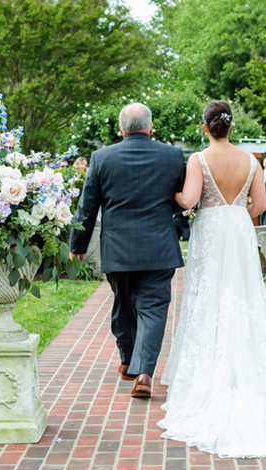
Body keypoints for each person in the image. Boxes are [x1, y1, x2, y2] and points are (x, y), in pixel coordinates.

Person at [159, 100, 266, 458]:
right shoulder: (251, 161)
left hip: (211, 228)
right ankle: (246, 371)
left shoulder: (198, 160)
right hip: (239, 228)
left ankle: (208, 378)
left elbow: (189, 199)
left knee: (207, 296)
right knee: (242, 295)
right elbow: (258, 206)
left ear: (205, 127)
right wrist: (237, 209)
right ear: (231, 126)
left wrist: (174, 193)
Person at [69, 102, 186, 399]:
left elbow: (87, 207)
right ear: (150, 128)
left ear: (121, 129)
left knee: (123, 305)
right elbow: (180, 198)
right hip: (159, 245)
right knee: (153, 309)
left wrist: (77, 246)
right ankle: (143, 371)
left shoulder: (101, 157)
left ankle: (128, 361)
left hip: (118, 248)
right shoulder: (172, 156)